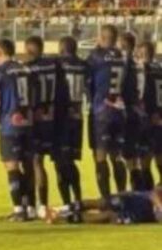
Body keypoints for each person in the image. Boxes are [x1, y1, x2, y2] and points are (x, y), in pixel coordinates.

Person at [0, 38, 34, 222]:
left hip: (10, 124)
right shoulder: (26, 69)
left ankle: (18, 210)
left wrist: (0, 119)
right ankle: (29, 207)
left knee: (12, 166)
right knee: (28, 165)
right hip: (28, 123)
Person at [86, 25, 129, 202]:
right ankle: (121, 195)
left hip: (101, 112)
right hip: (119, 111)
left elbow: (88, 84)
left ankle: (106, 199)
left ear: (102, 38)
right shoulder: (123, 57)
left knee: (100, 155)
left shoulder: (95, 57)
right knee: (117, 155)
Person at [53, 36, 87, 221]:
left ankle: (68, 204)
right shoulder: (84, 65)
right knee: (71, 162)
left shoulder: (57, 64)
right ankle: (78, 201)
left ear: (61, 48)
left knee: (60, 163)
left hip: (61, 119)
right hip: (78, 117)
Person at [23, 36, 57, 221]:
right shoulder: (53, 65)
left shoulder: (29, 68)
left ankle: (31, 206)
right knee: (40, 163)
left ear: (29, 49)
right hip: (50, 117)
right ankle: (42, 205)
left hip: (34, 119)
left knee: (31, 163)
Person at [119, 32, 146, 191]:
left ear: (124, 45)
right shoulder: (140, 64)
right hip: (139, 112)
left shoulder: (125, 64)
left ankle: (132, 192)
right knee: (134, 156)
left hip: (127, 111)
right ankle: (139, 189)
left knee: (124, 156)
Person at [52, 186, 162, 225]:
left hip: (139, 216)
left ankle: (64, 217)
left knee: (109, 216)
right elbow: (155, 192)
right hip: (135, 200)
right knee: (102, 203)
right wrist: (159, 206)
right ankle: (61, 209)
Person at [137, 41, 159, 190]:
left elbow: (147, 93)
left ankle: (149, 197)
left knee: (145, 162)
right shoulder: (160, 68)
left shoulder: (144, 69)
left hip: (149, 118)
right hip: (160, 119)